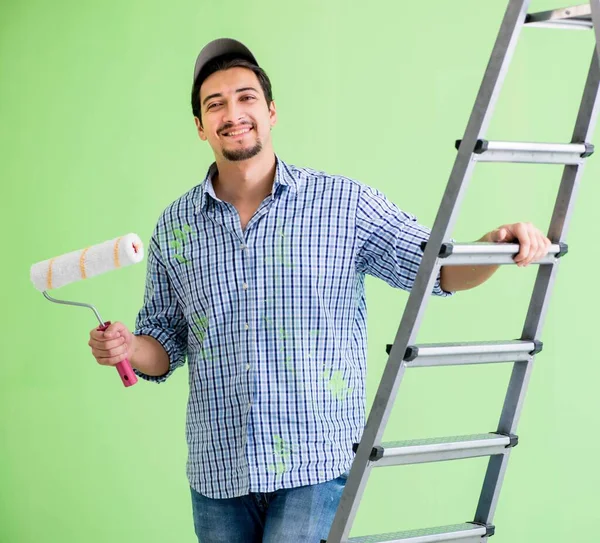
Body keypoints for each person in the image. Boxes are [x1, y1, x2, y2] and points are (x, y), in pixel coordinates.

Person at [87, 38, 552, 543]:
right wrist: (129, 347)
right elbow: (165, 344)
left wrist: (491, 246)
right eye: (214, 103)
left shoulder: (341, 204)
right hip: (217, 470)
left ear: (270, 111)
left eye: (245, 98)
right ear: (200, 126)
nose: (232, 113)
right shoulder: (175, 226)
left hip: (315, 462)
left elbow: (433, 270)